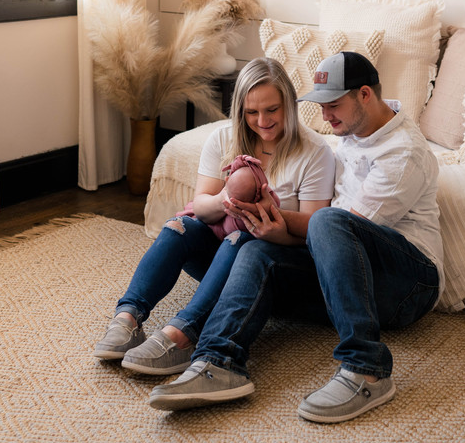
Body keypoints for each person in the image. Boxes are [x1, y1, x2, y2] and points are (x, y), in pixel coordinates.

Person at [147, 51, 444, 423]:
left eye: (333, 105)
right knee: (256, 250)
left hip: (409, 285)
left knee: (325, 221)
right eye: (321, 106)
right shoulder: (356, 128)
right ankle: (218, 362)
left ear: (365, 95)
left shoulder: (403, 153)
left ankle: (367, 369)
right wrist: (275, 231)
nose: (325, 116)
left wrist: (262, 209)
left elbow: (339, 230)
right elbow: (331, 245)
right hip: (351, 273)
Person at [92, 57, 336, 376]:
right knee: (179, 227)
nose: (262, 120)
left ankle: (182, 335)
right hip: (220, 253)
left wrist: (269, 221)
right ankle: (127, 318)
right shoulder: (223, 139)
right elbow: (202, 206)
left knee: (241, 238)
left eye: (272, 110)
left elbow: (314, 228)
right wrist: (227, 200)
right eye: (251, 112)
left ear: (289, 104)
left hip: (269, 266)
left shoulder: (315, 152)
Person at [175, 154, 279, 241]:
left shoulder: (265, 202)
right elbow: (198, 207)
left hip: (241, 241)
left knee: (234, 240)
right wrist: (221, 200)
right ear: (227, 179)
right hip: (210, 223)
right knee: (174, 227)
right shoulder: (220, 140)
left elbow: (275, 210)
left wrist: (270, 212)